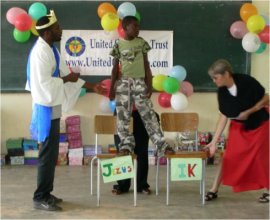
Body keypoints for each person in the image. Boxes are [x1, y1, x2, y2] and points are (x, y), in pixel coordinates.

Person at [26, 10, 105, 211]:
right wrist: (66, 80)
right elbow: (42, 84)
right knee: (46, 154)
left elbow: (65, 75)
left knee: (51, 154)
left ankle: (47, 192)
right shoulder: (40, 53)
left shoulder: (52, 49)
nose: (60, 31)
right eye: (57, 28)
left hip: (53, 107)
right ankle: (40, 197)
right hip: (45, 109)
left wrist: (92, 86)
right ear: (47, 33)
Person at [204, 59, 269, 203]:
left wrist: (251, 111)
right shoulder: (221, 92)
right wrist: (214, 142)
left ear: (226, 74)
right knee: (228, 157)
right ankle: (213, 189)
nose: (214, 81)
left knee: (261, 158)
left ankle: (268, 190)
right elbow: (224, 116)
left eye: (216, 77)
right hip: (238, 128)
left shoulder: (247, 81)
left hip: (259, 124)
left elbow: (266, 97)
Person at [109, 15, 174, 157]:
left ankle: (162, 145)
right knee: (122, 117)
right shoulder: (118, 45)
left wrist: (149, 84)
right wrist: (111, 89)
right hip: (123, 84)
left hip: (139, 83)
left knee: (149, 115)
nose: (138, 29)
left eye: (138, 26)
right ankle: (125, 145)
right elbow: (114, 68)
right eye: (135, 26)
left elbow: (146, 64)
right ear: (125, 28)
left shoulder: (141, 43)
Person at [112, 109, 159, 195]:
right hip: (122, 111)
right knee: (122, 153)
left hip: (140, 113)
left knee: (142, 152)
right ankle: (122, 186)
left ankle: (142, 186)